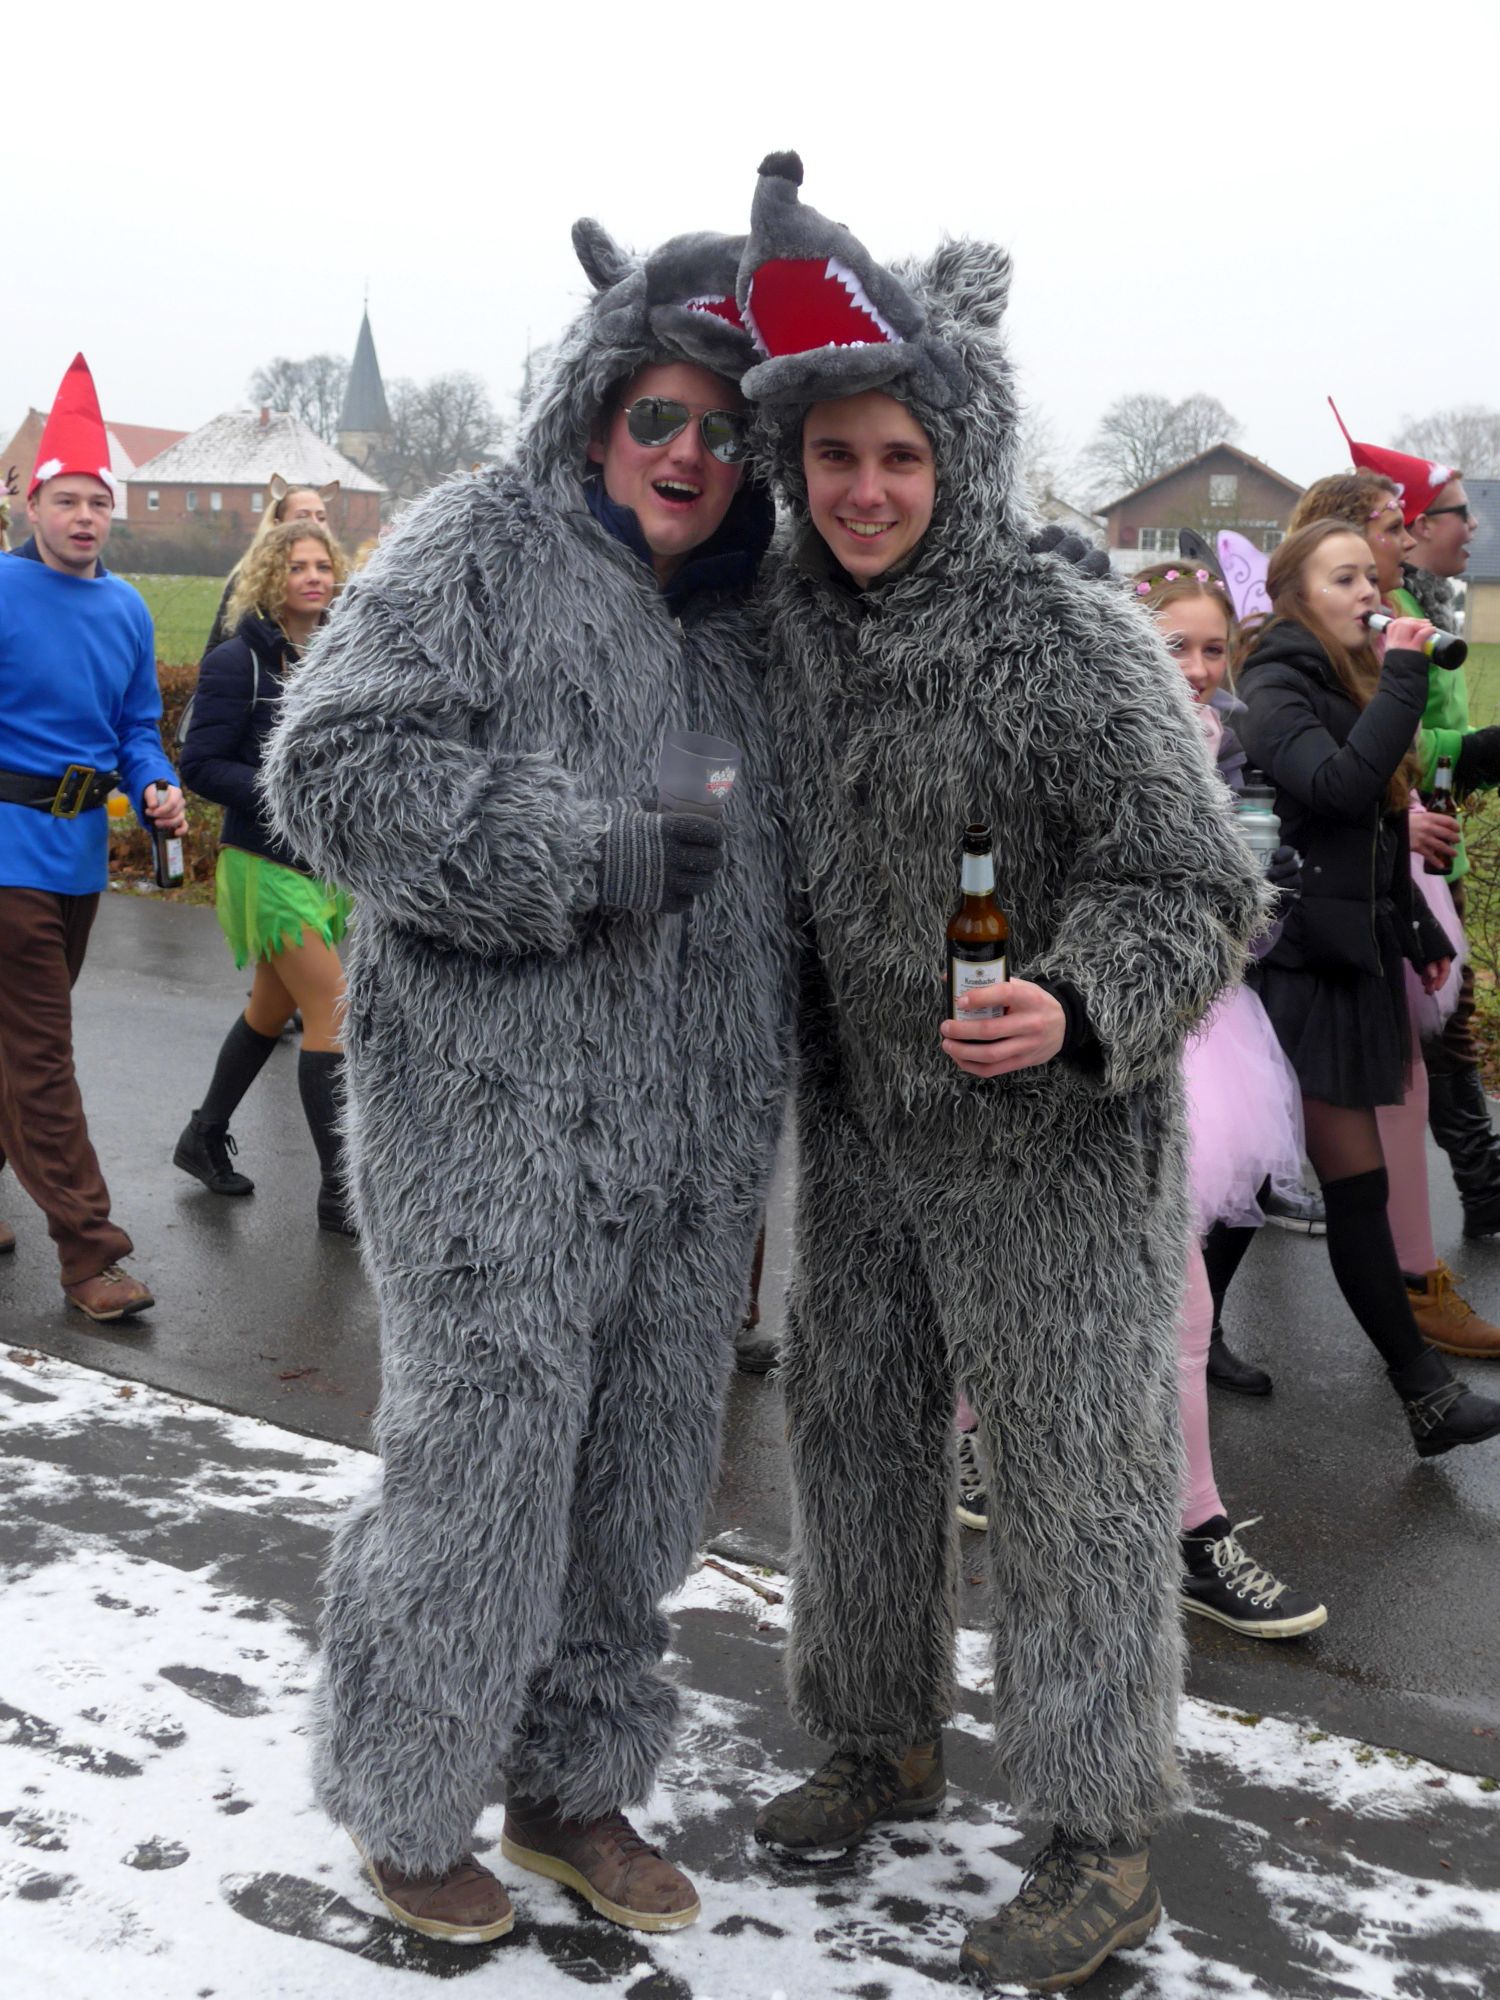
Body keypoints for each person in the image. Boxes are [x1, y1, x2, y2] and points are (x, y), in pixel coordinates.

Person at [736, 157, 1263, 1994]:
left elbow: (1195, 883)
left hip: (1054, 1141)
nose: (867, 491)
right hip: (866, 1133)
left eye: (901, 455)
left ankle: (1101, 1836)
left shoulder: (1064, 630)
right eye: (834, 457)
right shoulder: (785, 627)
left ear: (956, 455)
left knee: (1074, 1478)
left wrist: (1072, 1002)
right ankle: (878, 1737)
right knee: (856, 1435)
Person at [259, 220, 795, 1945]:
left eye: (725, 429)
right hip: (492, 1117)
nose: (689, 454)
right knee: (480, 1472)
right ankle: (409, 1800)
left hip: (698, 1136)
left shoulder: (762, 616)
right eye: (659, 417)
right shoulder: (477, 544)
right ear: (595, 412)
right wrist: (584, 850)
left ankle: (574, 1789)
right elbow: (334, 767)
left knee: (645, 1475)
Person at [1237, 518, 1500, 1456]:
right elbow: (1339, 789)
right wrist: (1402, 677)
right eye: (1343, 578)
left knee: (1253, 1188)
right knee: (1353, 1188)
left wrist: (1417, 928)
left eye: (1368, 577)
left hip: (1350, 959)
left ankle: (1189, 1345)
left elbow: (1381, 826)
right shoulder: (1274, 685)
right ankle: (1425, 1396)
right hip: (1296, 969)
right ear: (1293, 594)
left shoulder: (1346, 678)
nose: (1367, 593)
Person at [1133, 563, 1325, 1639]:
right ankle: (978, 1437)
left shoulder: (1227, 748)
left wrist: (1257, 894)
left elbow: (1250, 923)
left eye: (1215, 649)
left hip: (1203, 1037)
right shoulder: (1100, 744)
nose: (1200, 669)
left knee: (1181, 1305)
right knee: (1041, 1282)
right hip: (1098, 1042)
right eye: (1177, 646)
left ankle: (1192, 1531)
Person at [0, 353, 185, 1320]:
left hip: (77, 859)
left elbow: (137, 727)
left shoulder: (127, 607)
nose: (83, 516)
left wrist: (155, 785)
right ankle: (90, 1255)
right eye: (66, 499)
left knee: (18, 1041)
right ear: (31, 505)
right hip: (3, 855)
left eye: (98, 503)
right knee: (42, 1054)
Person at [175, 519, 354, 1231]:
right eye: (297, 566)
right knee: (333, 1010)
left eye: (322, 566)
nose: (312, 577)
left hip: (322, 865)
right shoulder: (237, 662)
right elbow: (200, 765)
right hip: (263, 864)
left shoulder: (342, 655)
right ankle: (340, 1193)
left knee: (269, 1012)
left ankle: (203, 1136)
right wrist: (287, 792)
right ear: (270, 577)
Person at [202, 479, 338, 654]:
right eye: (302, 517)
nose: (315, 524)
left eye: (321, 517)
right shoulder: (248, 579)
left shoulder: (341, 577)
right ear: (277, 523)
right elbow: (219, 643)